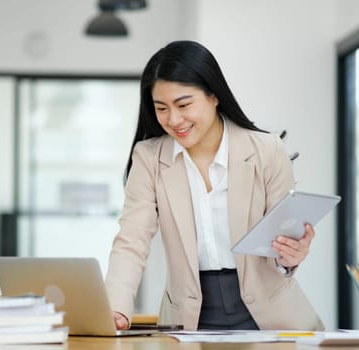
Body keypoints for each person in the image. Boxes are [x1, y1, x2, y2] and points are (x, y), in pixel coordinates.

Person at [104, 40, 323, 331]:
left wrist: (291, 255)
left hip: (271, 316)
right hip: (187, 318)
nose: (174, 119)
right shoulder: (149, 158)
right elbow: (132, 239)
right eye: (161, 108)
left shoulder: (267, 149)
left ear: (213, 95)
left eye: (184, 105)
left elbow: (284, 243)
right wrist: (116, 306)